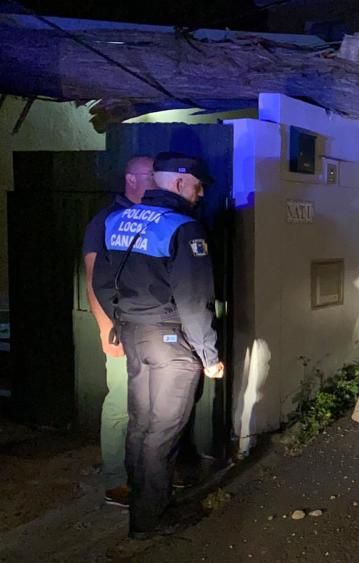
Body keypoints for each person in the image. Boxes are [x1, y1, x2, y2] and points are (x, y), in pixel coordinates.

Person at [92, 152, 224, 539]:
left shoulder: (116, 220)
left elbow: (102, 283)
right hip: (171, 341)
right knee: (163, 432)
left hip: (134, 335)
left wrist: (119, 321)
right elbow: (194, 298)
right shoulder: (184, 227)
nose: (200, 194)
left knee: (141, 425)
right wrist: (209, 355)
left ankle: (140, 505)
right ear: (180, 183)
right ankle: (151, 519)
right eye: (198, 186)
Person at [82, 155, 155, 507]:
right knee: (121, 403)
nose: (156, 180)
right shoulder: (106, 220)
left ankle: (143, 473)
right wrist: (105, 328)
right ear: (130, 179)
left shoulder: (151, 216)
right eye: (150, 175)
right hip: (120, 328)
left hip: (147, 328)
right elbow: (93, 276)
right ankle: (115, 479)